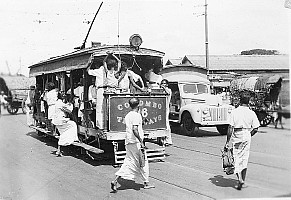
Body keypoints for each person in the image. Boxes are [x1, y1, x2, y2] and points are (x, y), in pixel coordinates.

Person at [111, 98, 155, 192]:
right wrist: (141, 141)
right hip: (136, 143)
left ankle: (115, 180)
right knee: (143, 162)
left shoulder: (128, 115)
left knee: (129, 162)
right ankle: (146, 182)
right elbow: (135, 129)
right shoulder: (136, 115)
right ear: (138, 105)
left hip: (129, 142)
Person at [225, 91, 260, 190]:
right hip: (246, 135)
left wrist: (227, 141)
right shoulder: (251, 113)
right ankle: (243, 180)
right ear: (248, 101)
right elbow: (256, 128)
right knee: (244, 158)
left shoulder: (235, 112)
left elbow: (230, 128)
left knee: (236, 157)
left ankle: (240, 179)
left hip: (237, 135)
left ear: (240, 100)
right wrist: (249, 135)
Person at [87, 53, 120, 129]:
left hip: (102, 90)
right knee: (111, 108)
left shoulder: (102, 71)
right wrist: (112, 55)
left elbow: (88, 71)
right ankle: (111, 125)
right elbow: (119, 62)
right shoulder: (115, 72)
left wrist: (89, 63)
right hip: (113, 90)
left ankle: (101, 126)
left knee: (100, 108)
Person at [160, 79, 173, 146]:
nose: (163, 84)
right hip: (161, 109)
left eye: (164, 83)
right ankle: (163, 139)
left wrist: (164, 88)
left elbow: (168, 93)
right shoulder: (161, 90)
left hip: (166, 108)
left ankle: (168, 139)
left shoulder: (168, 90)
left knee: (166, 124)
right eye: (162, 83)